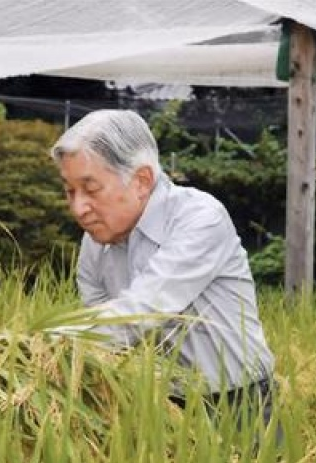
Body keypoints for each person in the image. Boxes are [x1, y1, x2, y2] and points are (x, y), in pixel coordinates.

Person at [50, 109, 277, 432]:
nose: (78, 208)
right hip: (157, 403)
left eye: (91, 189)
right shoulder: (94, 244)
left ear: (142, 180)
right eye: (70, 191)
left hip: (239, 404)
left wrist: (41, 341)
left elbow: (141, 311)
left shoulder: (199, 218)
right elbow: (101, 341)